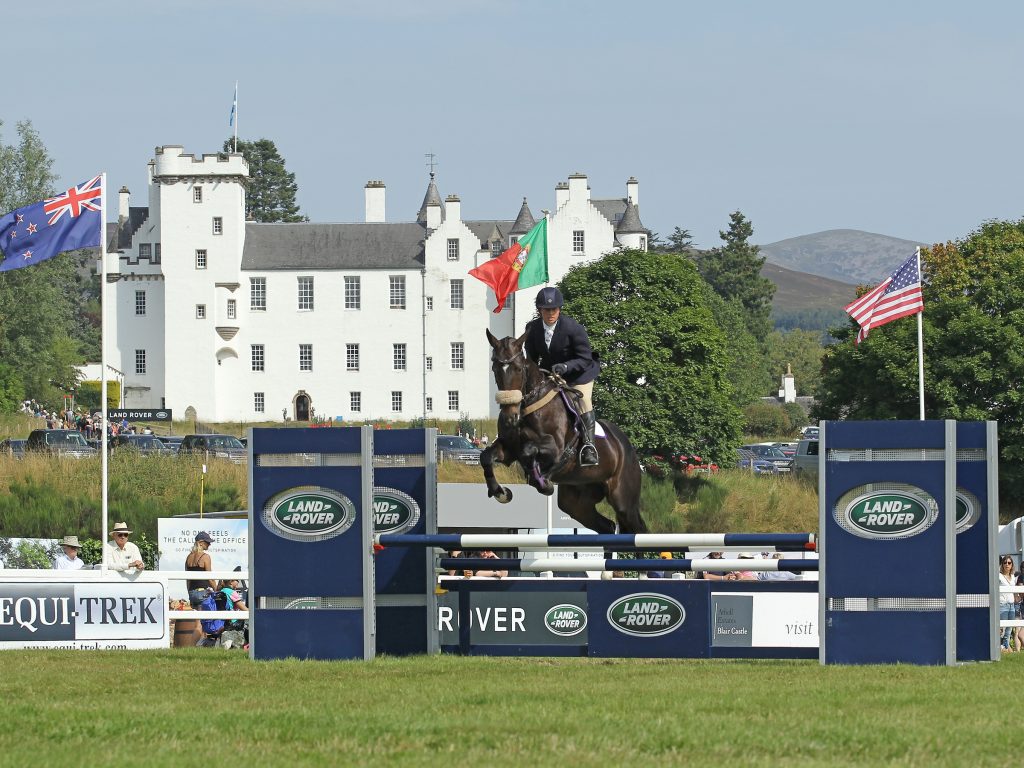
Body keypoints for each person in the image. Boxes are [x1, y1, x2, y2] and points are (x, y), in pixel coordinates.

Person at [524, 286, 601, 467]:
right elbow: (532, 358)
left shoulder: (573, 328)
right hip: (552, 373)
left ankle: (589, 448)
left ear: (559, 309)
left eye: (554, 309)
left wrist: (566, 366)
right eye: (546, 309)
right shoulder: (532, 328)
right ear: (540, 310)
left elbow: (584, 358)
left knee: (583, 402)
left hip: (579, 373)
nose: (550, 313)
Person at [185, 531, 216, 607]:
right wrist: (216, 590)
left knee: (197, 616)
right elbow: (210, 579)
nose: (209, 544)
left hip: (192, 592)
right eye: (208, 542)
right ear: (201, 543)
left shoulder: (188, 557)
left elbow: (188, 580)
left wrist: (189, 592)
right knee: (209, 616)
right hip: (203, 592)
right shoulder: (205, 557)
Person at [999, 556, 1016, 651]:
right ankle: (1000, 646)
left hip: (1012, 605)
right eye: (1005, 562)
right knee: (1002, 628)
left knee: (1009, 629)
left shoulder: (1013, 576)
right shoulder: (999, 576)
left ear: (1012, 565)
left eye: (1009, 563)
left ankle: (1006, 646)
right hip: (1003, 605)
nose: (1007, 564)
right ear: (1002, 564)